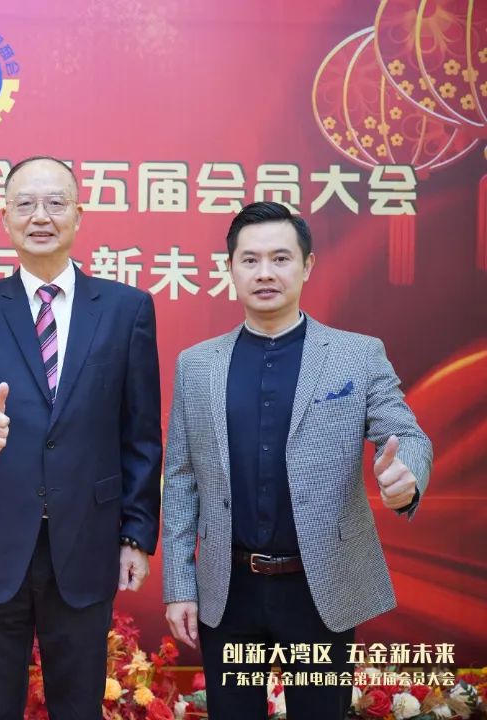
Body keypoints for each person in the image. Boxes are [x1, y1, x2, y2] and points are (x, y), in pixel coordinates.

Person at [161, 201, 432, 719]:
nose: (265, 273)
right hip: (229, 589)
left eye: (280, 258)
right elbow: (180, 478)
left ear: (307, 266)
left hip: (319, 587)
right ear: (231, 269)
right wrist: (178, 585)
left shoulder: (356, 354)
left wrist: (408, 477)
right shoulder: (196, 365)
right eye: (250, 260)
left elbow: (406, 435)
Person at [0, 156, 163, 718]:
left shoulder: (127, 308)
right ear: (5, 217)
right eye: (25, 204)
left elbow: (140, 432)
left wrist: (136, 532)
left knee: (78, 705)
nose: (41, 216)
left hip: (86, 540)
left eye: (56, 203)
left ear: (78, 215)